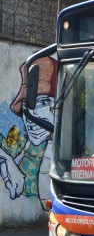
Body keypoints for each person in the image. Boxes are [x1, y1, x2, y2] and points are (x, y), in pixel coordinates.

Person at [0, 57, 57, 209]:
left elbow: (48, 204)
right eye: (27, 104)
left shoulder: (64, 152)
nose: (31, 115)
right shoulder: (19, 138)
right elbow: (5, 150)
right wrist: (9, 172)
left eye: (43, 103)